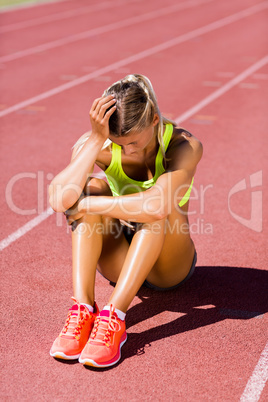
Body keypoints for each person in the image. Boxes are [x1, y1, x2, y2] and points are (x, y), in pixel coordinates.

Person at [48, 74, 203, 368]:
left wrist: (89, 205)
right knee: (89, 186)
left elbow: (156, 205)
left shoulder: (184, 145)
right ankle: (82, 308)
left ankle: (114, 318)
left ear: (155, 121)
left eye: (133, 141)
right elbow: (58, 200)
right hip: (120, 257)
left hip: (169, 265)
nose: (127, 149)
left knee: (157, 206)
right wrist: (95, 139)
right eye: (119, 142)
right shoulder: (102, 144)